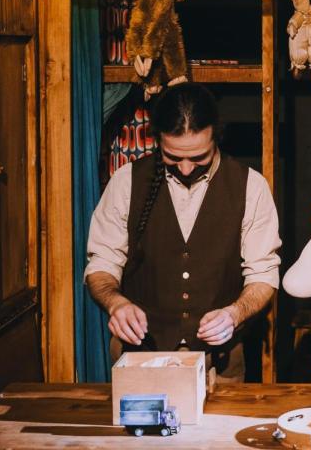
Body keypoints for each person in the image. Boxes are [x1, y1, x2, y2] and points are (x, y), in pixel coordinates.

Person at [85, 83, 281, 382]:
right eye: (174, 158)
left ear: (216, 136)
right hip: (140, 360)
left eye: (198, 157)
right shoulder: (127, 182)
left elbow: (263, 275)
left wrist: (235, 313)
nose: (186, 169)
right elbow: (102, 262)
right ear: (157, 141)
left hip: (221, 366)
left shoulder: (250, 186)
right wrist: (116, 302)